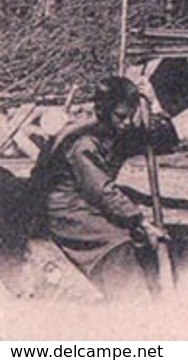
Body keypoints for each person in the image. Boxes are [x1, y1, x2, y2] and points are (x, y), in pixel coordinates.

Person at [35, 76, 179, 298]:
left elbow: (167, 142)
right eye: (122, 116)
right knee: (119, 243)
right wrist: (139, 220)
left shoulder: (116, 129)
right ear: (102, 110)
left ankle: (151, 291)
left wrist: (154, 104)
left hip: (90, 202)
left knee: (139, 238)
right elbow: (101, 190)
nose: (128, 122)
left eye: (131, 115)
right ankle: (130, 297)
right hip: (64, 208)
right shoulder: (81, 140)